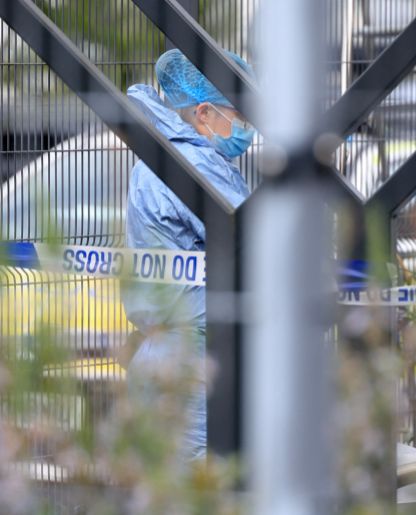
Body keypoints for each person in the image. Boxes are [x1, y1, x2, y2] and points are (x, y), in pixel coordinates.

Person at [120, 48, 255, 460]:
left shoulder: (159, 159)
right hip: (194, 368)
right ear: (203, 114)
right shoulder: (192, 162)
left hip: (162, 357)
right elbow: (253, 243)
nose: (246, 128)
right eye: (240, 115)